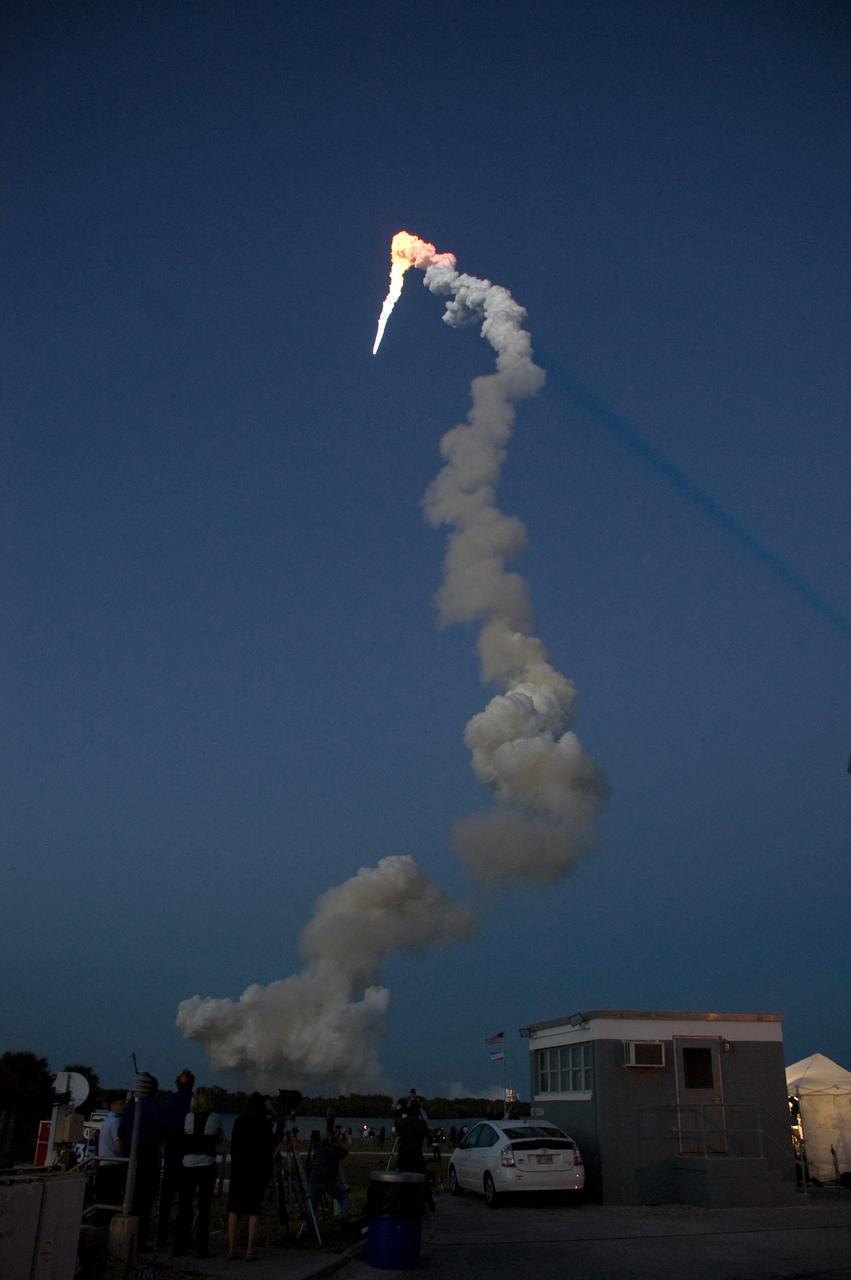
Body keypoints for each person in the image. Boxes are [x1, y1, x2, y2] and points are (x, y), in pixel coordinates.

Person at [172, 1087, 223, 1259]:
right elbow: (219, 1138)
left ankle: (178, 1246)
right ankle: (202, 1248)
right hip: (206, 1165)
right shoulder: (215, 1119)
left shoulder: (188, 1118)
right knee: (204, 1206)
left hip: (188, 1165)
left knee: (185, 1206)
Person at [226, 1093, 277, 1261]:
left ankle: (232, 1248)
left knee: (235, 1210)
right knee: (254, 1211)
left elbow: (233, 1144)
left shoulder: (239, 1121)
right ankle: (249, 1251)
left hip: (239, 1170)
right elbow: (270, 1145)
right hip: (256, 1172)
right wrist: (273, 1112)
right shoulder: (264, 1123)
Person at [118, 1077, 161, 1252]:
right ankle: (139, 1242)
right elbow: (162, 1134)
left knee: (130, 1200)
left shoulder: (130, 1109)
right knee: (144, 1203)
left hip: (131, 1159)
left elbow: (122, 1134)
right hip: (149, 1159)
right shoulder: (158, 1109)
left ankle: (124, 1240)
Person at [155, 1069, 195, 1249]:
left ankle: (160, 1237)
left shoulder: (169, 1100)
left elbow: (162, 1126)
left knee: (166, 1199)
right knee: (186, 1201)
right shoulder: (194, 1102)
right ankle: (181, 1238)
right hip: (188, 1155)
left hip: (171, 1153)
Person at [301, 1127, 350, 1233]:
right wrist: (337, 1139)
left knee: (311, 1206)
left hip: (314, 1180)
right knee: (344, 1198)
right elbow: (345, 1151)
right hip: (329, 1181)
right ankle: (343, 1222)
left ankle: (306, 1229)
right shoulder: (336, 1150)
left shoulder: (318, 1149)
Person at [394, 1095, 434, 1211]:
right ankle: (429, 1204)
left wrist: (398, 1113)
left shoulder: (403, 1122)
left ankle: (400, 1203)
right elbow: (426, 1133)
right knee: (423, 1180)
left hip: (403, 1156)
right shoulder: (421, 1124)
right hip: (416, 1155)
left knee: (400, 1179)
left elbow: (397, 1127)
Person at [94, 1095, 126, 1223]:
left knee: (102, 1205)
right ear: (112, 1105)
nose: (123, 1106)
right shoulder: (115, 1122)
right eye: (120, 1103)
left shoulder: (108, 1120)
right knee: (110, 1203)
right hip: (112, 1168)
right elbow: (119, 1146)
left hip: (104, 1166)